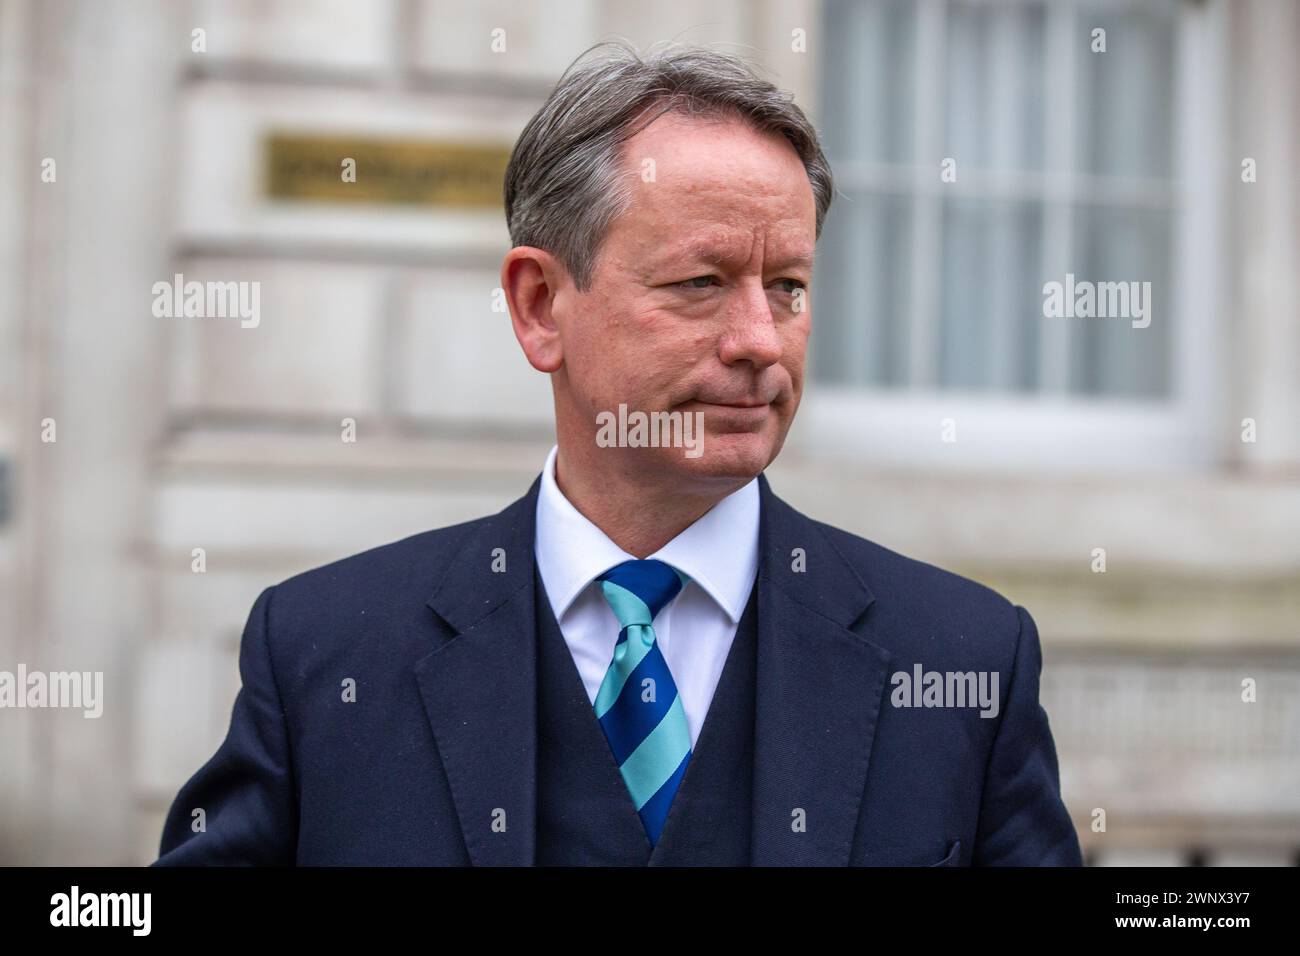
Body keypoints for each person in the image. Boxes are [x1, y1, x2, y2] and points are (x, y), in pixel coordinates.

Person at [155, 41, 1082, 866]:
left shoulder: (964, 662)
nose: (761, 339)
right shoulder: (323, 654)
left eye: (789, 287)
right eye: (701, 282)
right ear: (538, 307)